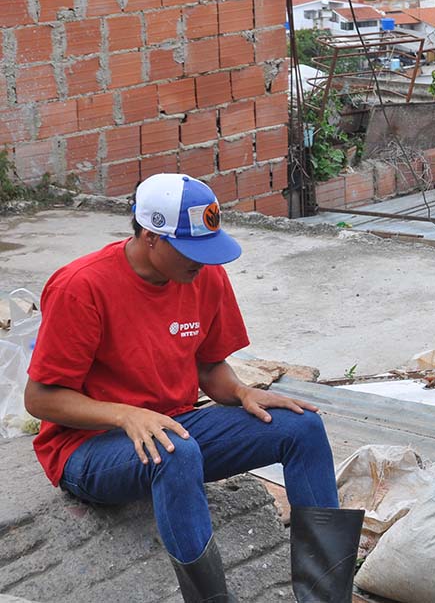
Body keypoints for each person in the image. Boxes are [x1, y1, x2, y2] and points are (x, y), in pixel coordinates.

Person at [24, 173, 363, 603]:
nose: (201, 262)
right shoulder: (82, 287)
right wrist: (125, 415)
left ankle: (327, 598)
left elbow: (209, 368)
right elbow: (40, 400)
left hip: (175, 425)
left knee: (302, 427)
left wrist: (241, 393)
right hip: (88, 448)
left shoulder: (202, 276)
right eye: (190, 250)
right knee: (175, 451)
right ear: (150, 236)